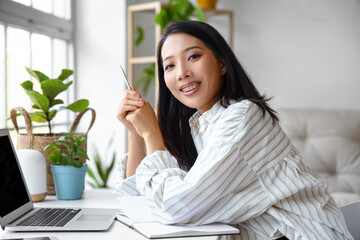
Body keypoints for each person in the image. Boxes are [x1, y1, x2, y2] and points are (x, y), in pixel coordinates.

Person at [115, 21, 352, 240]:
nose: (181, 72)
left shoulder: (241, 118)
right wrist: (136, 134)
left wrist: (151, 134)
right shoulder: (200, 125)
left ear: (221, 63)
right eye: (169, 66)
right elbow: (137, 199)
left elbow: (175, 207)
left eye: (193, 56)